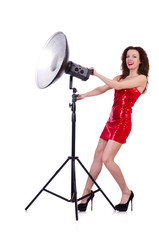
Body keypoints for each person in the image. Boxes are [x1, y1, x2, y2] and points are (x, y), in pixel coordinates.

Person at [77, 46, 149, 212]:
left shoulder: (141, 79)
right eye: (127, 56)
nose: (130, 59)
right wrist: (84, 95)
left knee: (107, 159)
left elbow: (115, 86)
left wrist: (97, 74)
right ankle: (86, 193)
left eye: (134, 56)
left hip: (123, 122)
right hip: (110, 121)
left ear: (140, 61)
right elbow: (103, 89)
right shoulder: (120, 77)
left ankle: (126, 192)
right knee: (97, 157)